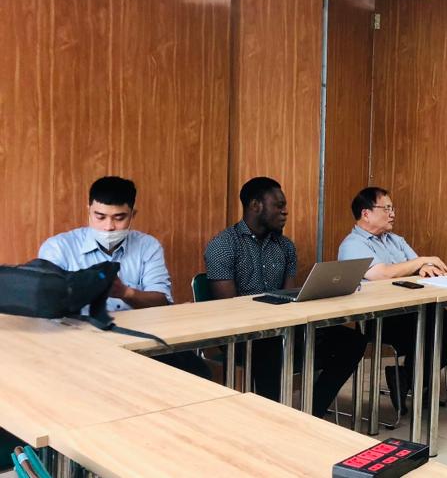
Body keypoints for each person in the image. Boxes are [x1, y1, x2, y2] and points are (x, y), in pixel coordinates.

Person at [204, 177, 367, 417]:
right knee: (271, 349)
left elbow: (288, 299)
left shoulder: (285, 246)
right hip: (242, 334)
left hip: (283, 328)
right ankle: (274, 419)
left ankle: (311, 411)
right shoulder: (223, 245)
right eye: (279, 205)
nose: (285, 211)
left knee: (352, 342)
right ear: (255, 205)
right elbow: (229, 310)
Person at [39, 176, 210, 379]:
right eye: (100, 217)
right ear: (89, 211)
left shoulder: (148, 246)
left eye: (119, 218)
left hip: (140, 341)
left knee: (198, 372)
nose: (108, 227)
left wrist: (126, 292)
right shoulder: (58, 247)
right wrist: (81, 290)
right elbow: (44, 305)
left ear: (132, 215)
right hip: (80, 344)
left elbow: (161, 302)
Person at [338, 187, 447, 415]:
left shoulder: (394, 240)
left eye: (392, 208)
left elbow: (421, 266)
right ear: (366, 213)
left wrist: (423, 265)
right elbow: (382, 274)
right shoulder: (353, 244)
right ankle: (413, 380)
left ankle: (407, 377)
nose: (392, 214)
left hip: (411, 309)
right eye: (386, 208)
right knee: (430, 334)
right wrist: (421, 262)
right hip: (381, 317)